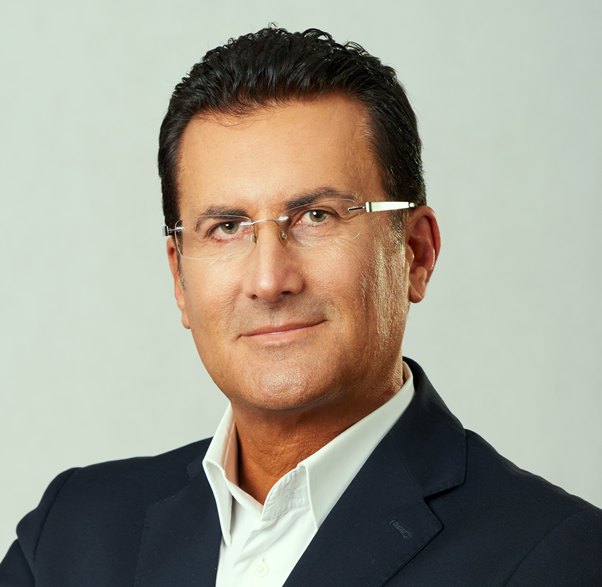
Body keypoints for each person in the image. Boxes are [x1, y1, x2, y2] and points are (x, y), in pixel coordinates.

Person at [1, 26, 601, 587]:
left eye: (317, 216)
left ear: (415, 253)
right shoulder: (67, 537)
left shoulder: (559, 558)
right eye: (227, 227)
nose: (269, 281)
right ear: (179, 278)